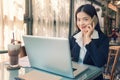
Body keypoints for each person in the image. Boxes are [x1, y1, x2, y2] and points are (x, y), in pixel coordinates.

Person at [69, 4, 109, 80]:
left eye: (85, 19)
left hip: (93, 77)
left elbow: (100, 63)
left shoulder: (103, 39)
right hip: (76, 75)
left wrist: (88, 39)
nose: (81, 23)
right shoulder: (74, 37)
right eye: (78, 19)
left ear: (94, 19)